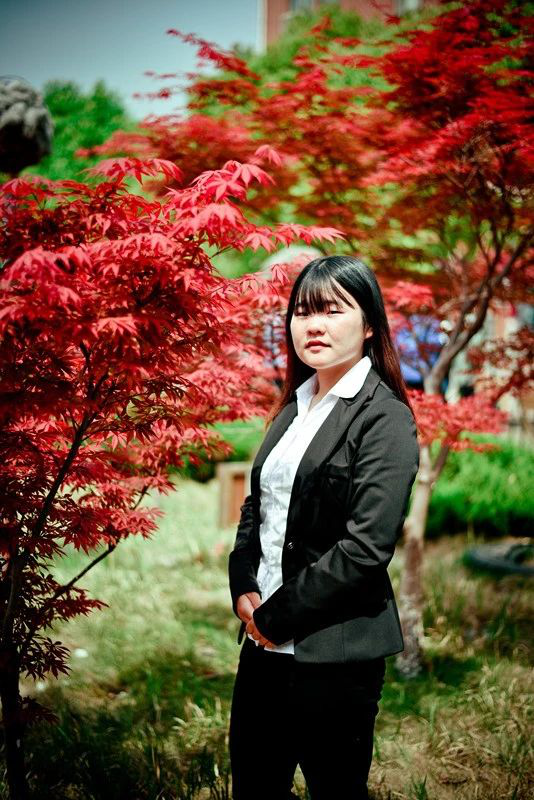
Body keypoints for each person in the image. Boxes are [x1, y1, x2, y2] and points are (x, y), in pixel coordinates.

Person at [227, 255, 420, 800]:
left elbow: (365, 547)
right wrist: (242, 582)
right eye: (303, 312)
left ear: (369, 324)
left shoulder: (384, 417)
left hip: (335, 655)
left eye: (333, 311)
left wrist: (275, 616)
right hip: (261, 651)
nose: (314, 325)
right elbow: (259, 504)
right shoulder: (294, 406)